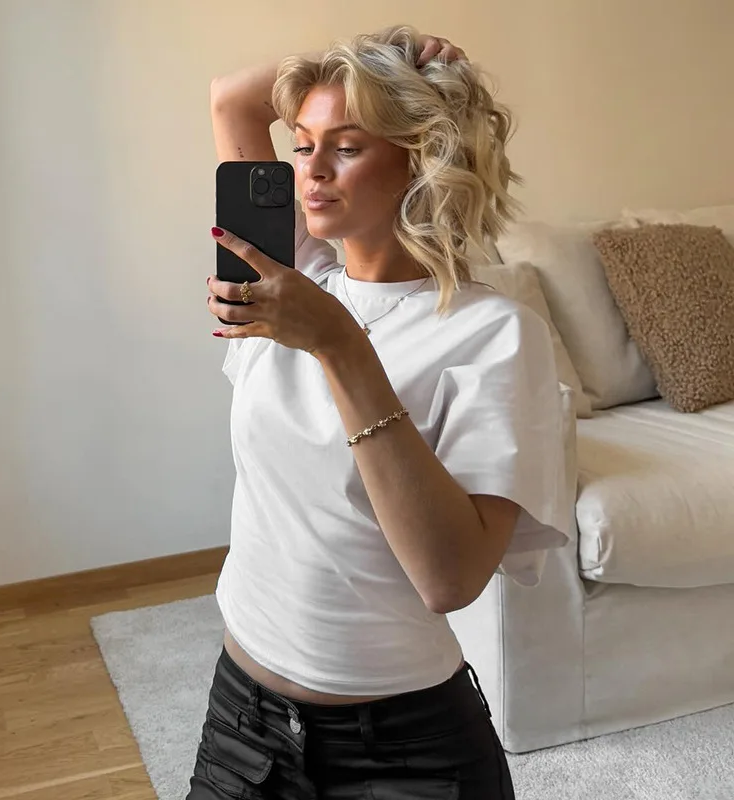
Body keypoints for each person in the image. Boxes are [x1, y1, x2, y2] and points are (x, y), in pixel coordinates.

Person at [190, 25, 571, 800]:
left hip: (404, 755)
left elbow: (449, 578)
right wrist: (375, 52)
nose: (310, 170)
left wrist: (341, 348)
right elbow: (232, 100)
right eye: (303, 145)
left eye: (348, 147)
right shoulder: (289, 279)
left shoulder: (494, 335)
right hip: (241, 720)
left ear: (419, 158)